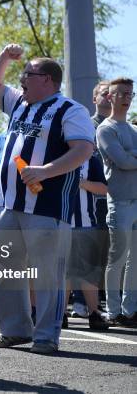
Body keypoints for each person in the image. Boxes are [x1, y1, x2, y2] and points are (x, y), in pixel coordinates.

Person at [0, 43, 94, 354]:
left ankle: (46, 336)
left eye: (27, 74)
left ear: (47, 79)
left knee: (46, 272)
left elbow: (83, 149)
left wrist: (45, 170)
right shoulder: (19, 104)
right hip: (7, 205)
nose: (21, 80)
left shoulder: (71, 109)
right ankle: (15, 330)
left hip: (46, 206)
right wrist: (4, 55)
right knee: (4, 267)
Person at [96, 77, 137, 327]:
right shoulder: (105, 128)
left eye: (130, 93)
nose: (126, 97)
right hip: (119, 202)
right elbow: (121, 161)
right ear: (110, 97)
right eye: (121, 93)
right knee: (118, 258)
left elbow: (127, 159)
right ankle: (113, 311)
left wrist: (130, 155)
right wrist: (129, 157)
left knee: (136, 260)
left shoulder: (133, 129)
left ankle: (130, 309)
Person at [64, 152, 110, 330]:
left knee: (88, 272)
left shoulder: (90, 160)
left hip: (86, 224)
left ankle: (94, 313)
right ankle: (60, 315)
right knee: (63, 272)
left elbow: (104, 188)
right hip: (61, 223)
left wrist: (81, 183)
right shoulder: (55, 155)